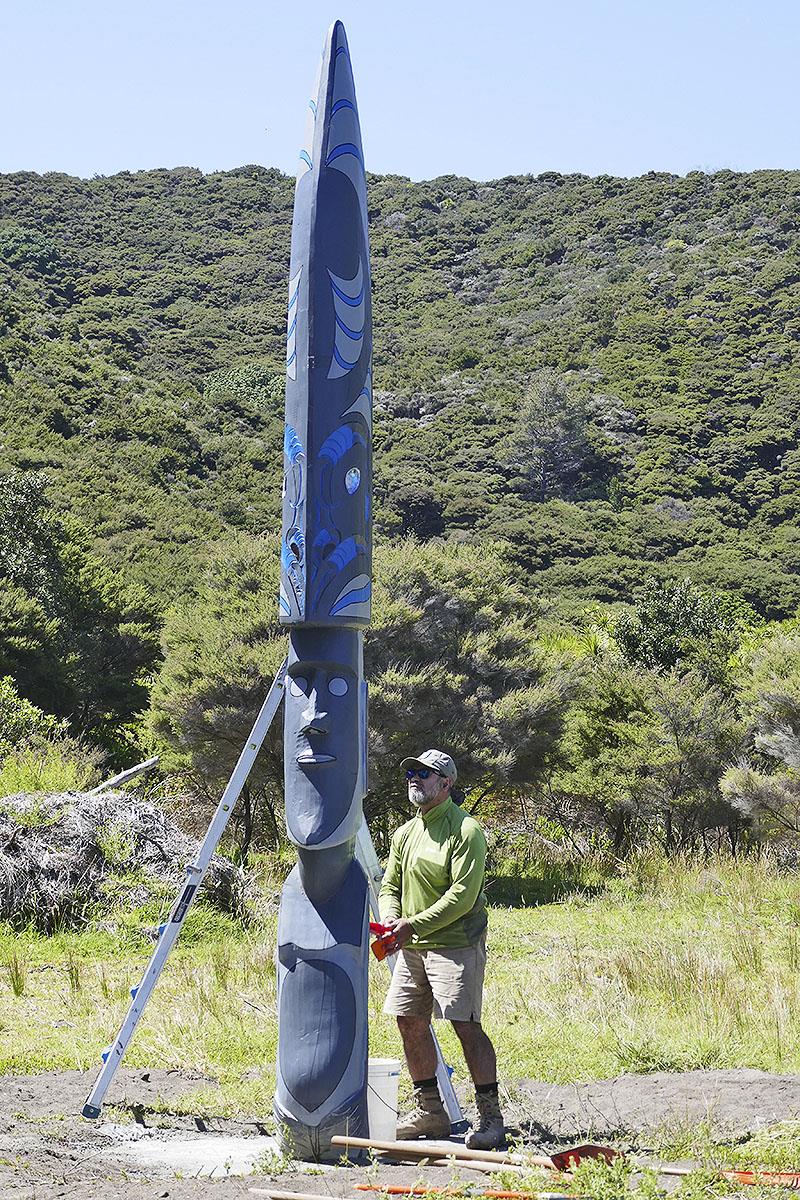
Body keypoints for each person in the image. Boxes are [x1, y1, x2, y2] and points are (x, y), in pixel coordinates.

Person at [378, 749, 505, 1149]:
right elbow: (389, 886)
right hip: (412, 945)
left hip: (455, 944)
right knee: (408, 1019)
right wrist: (390, 922)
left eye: (424, 773)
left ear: (446, 783)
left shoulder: (466, 831)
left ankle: (491, 1118)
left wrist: (411, 924)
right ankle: (431, 1112)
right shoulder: (404, 833)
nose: (414, 778)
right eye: (411, 772)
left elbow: (463, 897)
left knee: (465, 1025)